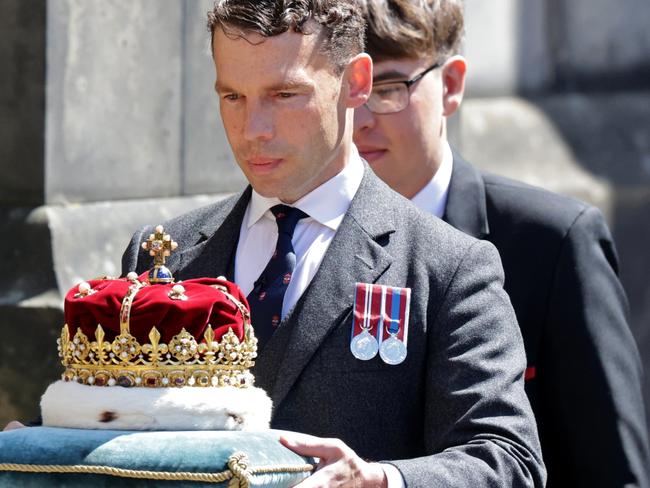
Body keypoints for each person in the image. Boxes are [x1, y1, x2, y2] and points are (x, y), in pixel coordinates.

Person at [119, 1, 546, 486]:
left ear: (356, 83)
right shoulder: (162, 255)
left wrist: (381, 480)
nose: (252, 129)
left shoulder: (448, 266)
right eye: (232, 96)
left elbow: (507, 459)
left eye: (284, 94)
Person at [352, 1, 650, 487]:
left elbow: (614, 471)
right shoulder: (305, 238)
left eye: (387, 90)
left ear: (450, 85)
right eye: (348, 92)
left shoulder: (554, 242)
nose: (362, 119)